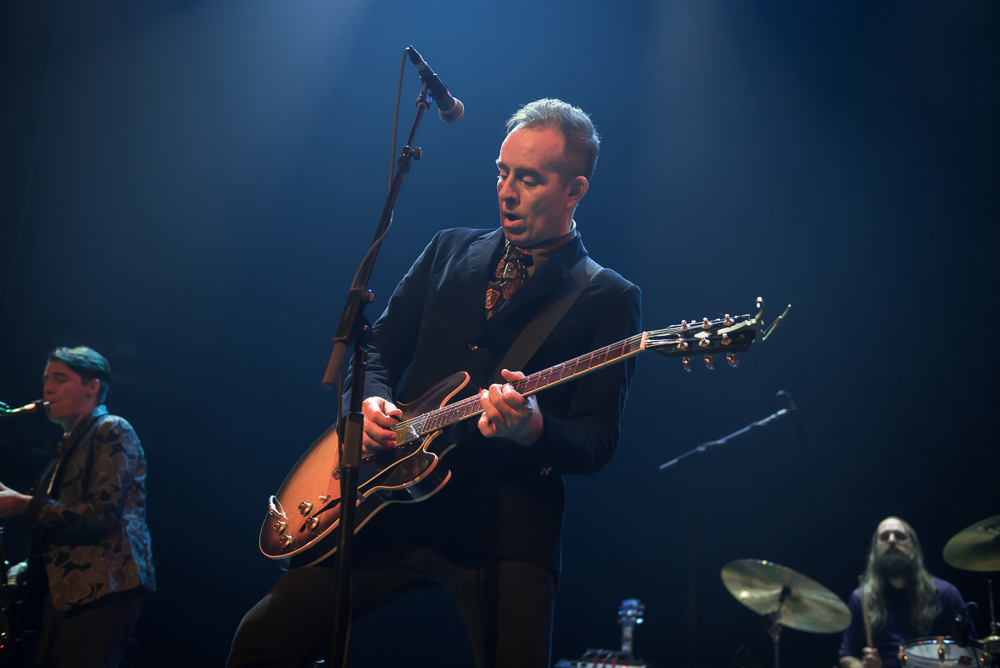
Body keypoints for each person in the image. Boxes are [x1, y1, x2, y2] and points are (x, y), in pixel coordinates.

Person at [228, 98, 642, 668]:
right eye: (501, 172)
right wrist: (371, 402)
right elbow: (375, 347)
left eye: (528, 179)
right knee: (261, 639)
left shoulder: (608, 297)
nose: (506, 191)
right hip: (390, 504)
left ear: (575, 190)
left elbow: (598, 438)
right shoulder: (448, 248)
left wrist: (534, 430)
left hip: (503, 528)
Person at [0, 346, 155, 668]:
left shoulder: (113, 428)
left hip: (102, 589)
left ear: (92, 386)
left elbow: (100, 514)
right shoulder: (69, 443)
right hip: (64, 593)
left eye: (60, 379)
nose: (47, 388)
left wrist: (21, 504)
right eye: (46, 380)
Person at [838, 517, 970, 668]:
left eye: (899, 536)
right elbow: (846, 655)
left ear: (913, 547)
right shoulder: (861, 598)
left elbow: (970, 653)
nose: (892, 540)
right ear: (875, 550)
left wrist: (952, 665)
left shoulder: (946, 594)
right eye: (884, 537)